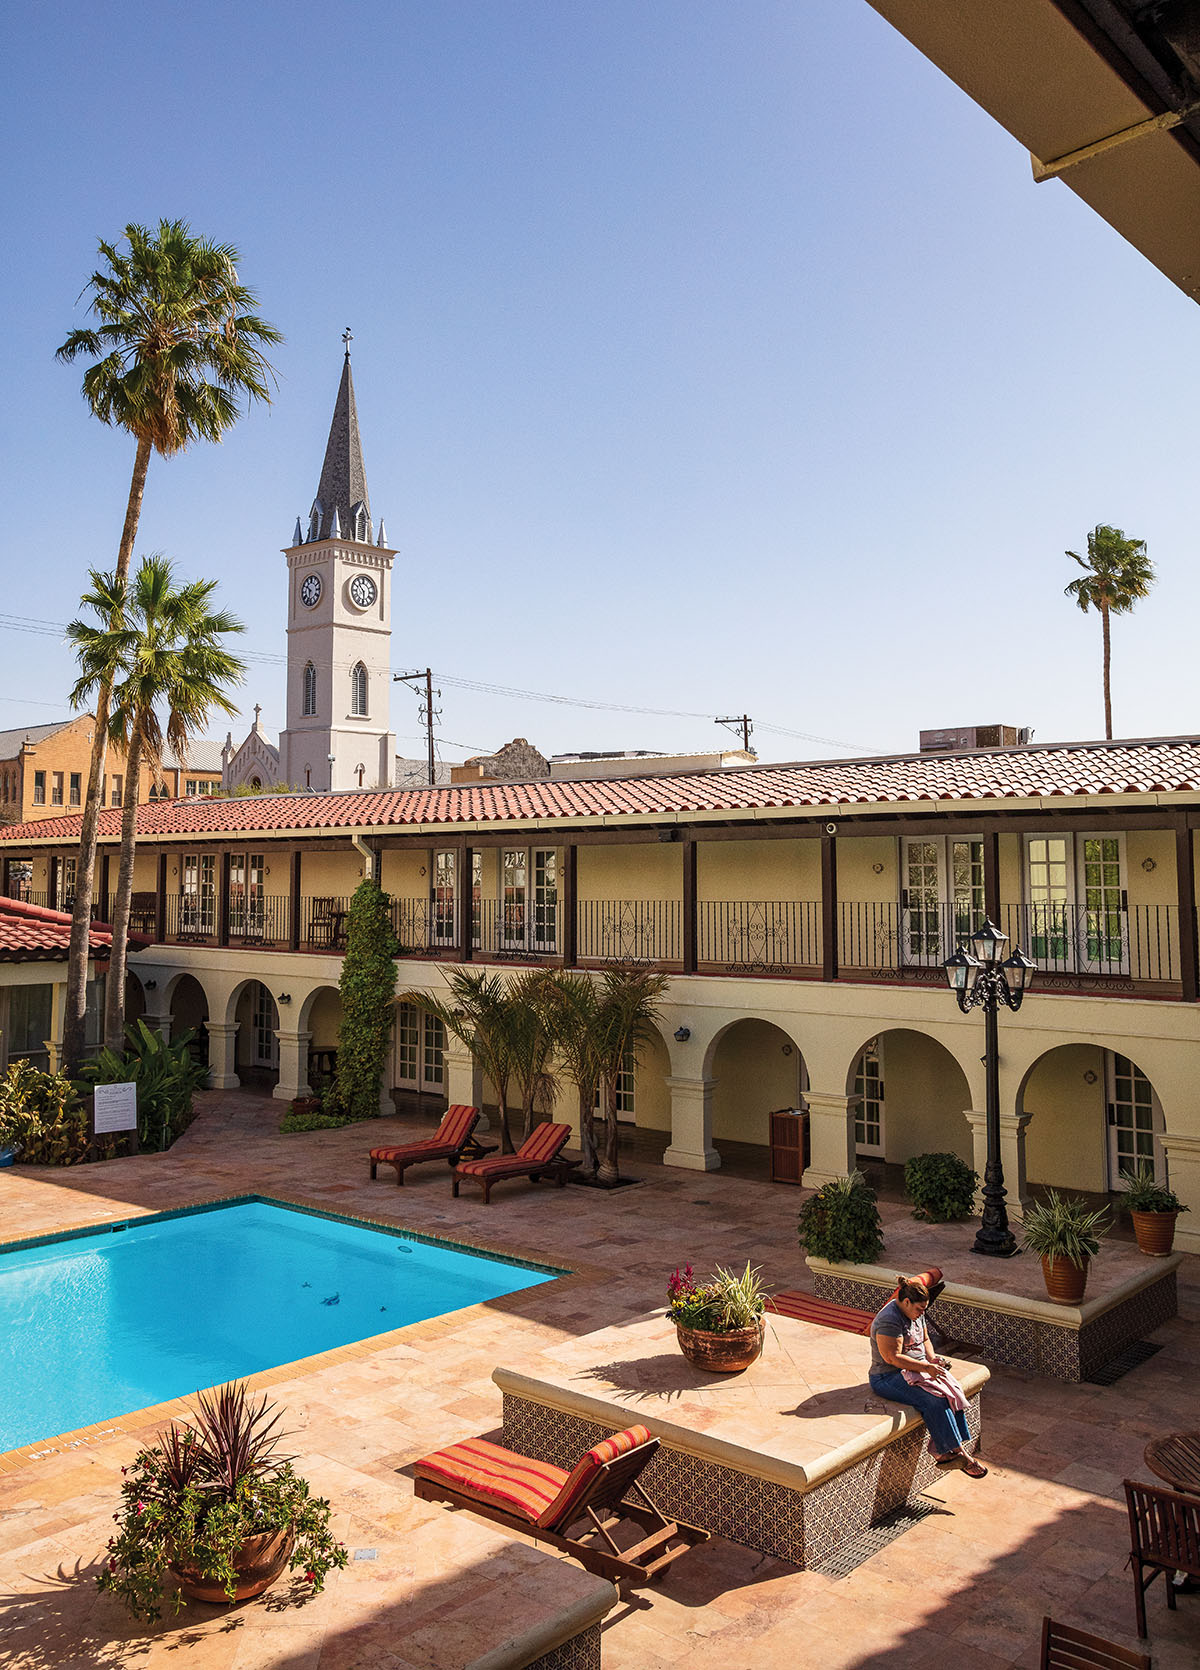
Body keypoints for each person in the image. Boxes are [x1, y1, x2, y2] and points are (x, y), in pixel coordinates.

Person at [868, 1273, 987, 1478]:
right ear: (906, 1301)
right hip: (888, 1377)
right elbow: (892, 1358)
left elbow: (924, 1340)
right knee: (935, 1401)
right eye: (919, 1308)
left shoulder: (917, 1311)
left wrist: (932, 1360)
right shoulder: (889, 1320)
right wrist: (925, 1368)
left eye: (924, 1308)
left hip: (917, 1369)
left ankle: (952, 1451)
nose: (922, 1312)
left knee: (951, 1391)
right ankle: (954, 1454)